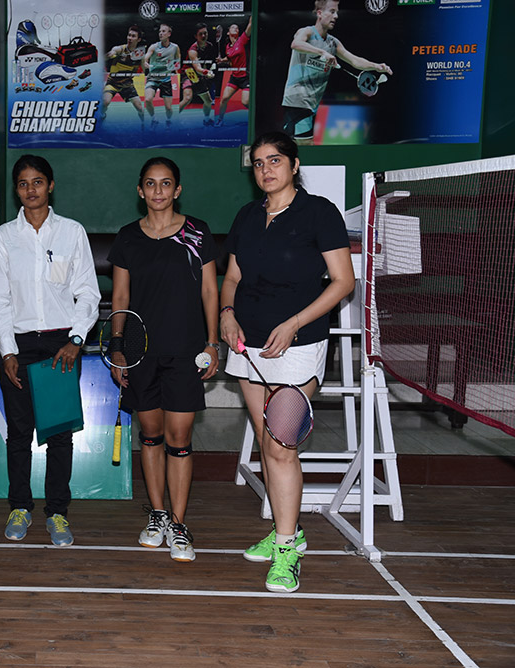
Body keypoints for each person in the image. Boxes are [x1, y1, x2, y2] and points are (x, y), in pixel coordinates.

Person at [220, 131, 355, 592]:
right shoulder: (247, 216)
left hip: (297, 345)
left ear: (294, 165)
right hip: (248, 345)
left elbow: (343, 281)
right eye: (258, 163)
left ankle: (285, 550)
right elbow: (232, 276)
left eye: (275, 160)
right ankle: (288, 531)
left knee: (281, 446)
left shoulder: (319, 212)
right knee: (266, 440)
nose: (266, 170)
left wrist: (294, 323)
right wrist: (226, 313)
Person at [0, 155, 100, 547]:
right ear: (16, 189)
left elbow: (88, 293)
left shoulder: (71, 232)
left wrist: (76, 340)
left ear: (50, 185)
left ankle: (58, 513)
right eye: (23, 183)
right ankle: (19, 506)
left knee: (60, 435)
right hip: (18, 345)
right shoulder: (3, 238)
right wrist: (7, 351)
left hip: (60, 345)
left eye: (37, 182)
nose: (30, 189)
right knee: (19, 433)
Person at [108, 157, 221, 563]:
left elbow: (210, 291)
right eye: (151, 184)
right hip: (140, 353)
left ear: (178, 189)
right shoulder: (127, 237)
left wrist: (213, 343)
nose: (158, 191)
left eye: (166, 183)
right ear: (140, 191)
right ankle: (157, 515)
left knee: (179, 438)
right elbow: (121, 297)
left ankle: (178, 523)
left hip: (185, 351)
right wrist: (117, 347)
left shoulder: (197, 232)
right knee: (151, 435)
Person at [282, 0, 392, 144]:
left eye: (337, 12)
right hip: (298, 99)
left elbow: (354, 60)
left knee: (296, 146)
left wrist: (376, 66)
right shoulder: (307, 32)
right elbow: (296, 44)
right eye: (332, 11)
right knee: (305, 145)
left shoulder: (333, 43)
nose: (336, 16)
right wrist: (322, 52)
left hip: (313, 103)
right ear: (320, 13)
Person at [100, 25, 145, 127]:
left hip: (127, 84)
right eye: (129, 35)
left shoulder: (139, 54)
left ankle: (143, 124)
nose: (130, 38)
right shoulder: (120, 49)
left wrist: (149, 67)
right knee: (105, 102)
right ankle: (102, 115)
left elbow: (145, 68)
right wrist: (109, 55)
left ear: (138, 39)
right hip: (113, 82)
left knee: (140, 108)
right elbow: (112, 52)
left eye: (133, 36)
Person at [177, 23, 217, 127]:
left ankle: (207, 120)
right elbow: (197, 68)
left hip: (199, 75)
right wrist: (206, 72)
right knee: (187, 98)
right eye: (200, 34)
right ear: (196, 36)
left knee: (208, 101)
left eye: (205, 33)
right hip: (188, 73)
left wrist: (212, 67)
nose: (203, 36)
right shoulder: (192, 50)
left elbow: (207, 62)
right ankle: (171, 119)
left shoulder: (210, 46)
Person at [214, 17, 251, 127]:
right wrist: (222, 60)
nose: (235, 28)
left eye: (237, 28)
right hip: (234, 77)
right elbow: (230, 57)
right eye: (233, 27)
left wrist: (252, 15)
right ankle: (220, 120)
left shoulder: (242, 40)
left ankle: (256, 113)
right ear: (228, 32)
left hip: (245, 77)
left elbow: (250, 25)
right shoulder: (227, 47)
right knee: (224, 99)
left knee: (245, 102)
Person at [143, 23, 180, 130]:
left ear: (169, 34)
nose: (160, 33)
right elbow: (145, 58)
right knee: (148, 99)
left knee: (168, 108)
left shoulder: (175, 47)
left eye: (163, 31)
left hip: (166, 79)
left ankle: (168, 120)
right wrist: (145, 63)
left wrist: (175, 68)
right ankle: (154, 119)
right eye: (159, 31)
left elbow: (178, 61)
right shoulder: (154, 47)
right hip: (153, 77)